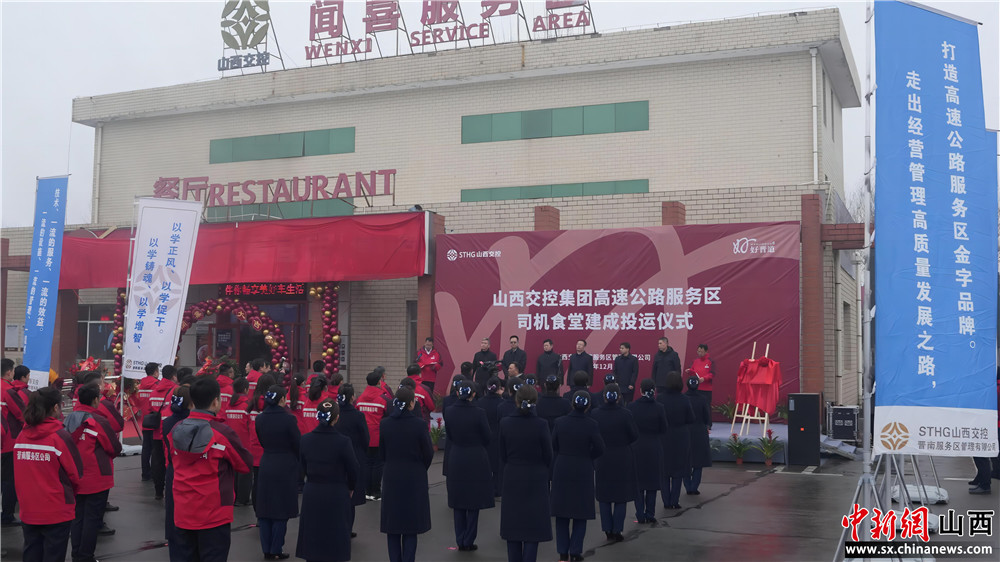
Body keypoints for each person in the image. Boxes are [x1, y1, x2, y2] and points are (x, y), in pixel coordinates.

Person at [168, 377, 252, 562]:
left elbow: (172, 462)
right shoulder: (222, 433)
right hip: (214, 514)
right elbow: (245, 465)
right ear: (216, 401)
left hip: (182, 510)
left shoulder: (175, 429)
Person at [13, 386, 83, 562]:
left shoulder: (22, 435)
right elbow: (76, 475)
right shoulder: (60, 437)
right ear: (55, 408)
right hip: (56, 509)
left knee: (31, 553)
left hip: (29, 508)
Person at [63, 383, 122, 562]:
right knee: (92, 519)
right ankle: (86, 556)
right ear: (95, 400)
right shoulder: (98, 421)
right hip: (96, 477)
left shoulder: (67, 420)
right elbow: (114, 447)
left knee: (78, 516)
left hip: (74, 475)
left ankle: (76, 554)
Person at [296, 399, 359, 562]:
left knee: (313, 534)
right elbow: (353, 469)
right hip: (336, 492)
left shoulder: (305, 440)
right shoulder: (343, 442)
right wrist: (351, 487)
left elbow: (302, 467)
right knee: (335, 536)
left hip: (313, 492)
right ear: (337, 418)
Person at [380, 386, 434, 562]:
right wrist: (419, 468)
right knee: (411, 525)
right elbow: (428, 452)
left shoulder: (385, 424)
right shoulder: (419, 425)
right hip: (414, 476)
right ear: (411, 403)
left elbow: (382, 452)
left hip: (391, 475)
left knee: (393, 524)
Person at [499, 384, 552, 562]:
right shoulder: (541, 424)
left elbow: (502, 453)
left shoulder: (505, 423)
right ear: (535, 402)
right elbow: (548, 454)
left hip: (512, 475)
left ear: (516, 400)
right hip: (536, 477)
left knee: (513, 525)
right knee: (532, 527)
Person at [551, 391, 605, 562]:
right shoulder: (592, 424)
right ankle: (575, 551)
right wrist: (588, 455)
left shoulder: (560, 422)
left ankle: (562, 551)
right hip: (583, 468)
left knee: (562, 512)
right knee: (580, 512)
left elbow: (554, 444)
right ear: (588, 405)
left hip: (562, 467)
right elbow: (600, 448)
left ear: (572, 404)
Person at [444, 380, 494, 551]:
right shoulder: (479, 413)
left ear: (457, 393)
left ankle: (460, 538)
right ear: (473, 394)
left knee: (458, 500)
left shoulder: (449, 411)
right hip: (476, 457)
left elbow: (449, 434)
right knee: (473, 501)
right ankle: (469, 539)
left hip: (456, 456)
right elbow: (487, 437)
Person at [255, 385, 301, 560]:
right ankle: (276, 548)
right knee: (281, 510)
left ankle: (266, 549)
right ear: (282, 399)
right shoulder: (289, 419)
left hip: (266, 462)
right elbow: (297, 444)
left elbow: (261, 439)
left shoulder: (260, 419)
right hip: (285, 465)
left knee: (265, 509)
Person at [590, 383, 639, 542]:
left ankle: (607, 529)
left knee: (604, 496)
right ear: (619, 397)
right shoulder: (626, 414)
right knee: (620, 496)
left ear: (604, 397)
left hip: (602, 458)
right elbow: (633, 436)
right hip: (622, 457)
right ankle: (617, 530)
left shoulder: (595, 414)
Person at [627, 379, 668, 522]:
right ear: (654, 390)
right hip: (654, 447)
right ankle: (650, 514)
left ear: (640, 390)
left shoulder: (632, 407)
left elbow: (629, 428)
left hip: (637, 448)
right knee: (652, 482)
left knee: (638, 482)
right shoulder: (659, 407)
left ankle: (640, 514)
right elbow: (664, 428)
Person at [334, 384, 369, 537]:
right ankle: (347, 529)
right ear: (352, 397)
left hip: (335, 459)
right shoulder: (358, 416)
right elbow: (365, 438)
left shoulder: (334, 414)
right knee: (351, 496)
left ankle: (337, 527)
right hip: (355, 456)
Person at [161, 386, 193, 554]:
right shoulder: (193, 424)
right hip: (190, 471)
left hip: (172, 470)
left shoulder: (167, 422)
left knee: (173, 514)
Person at [657, 371, 694, 509]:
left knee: (665, 470)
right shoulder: (684, 399)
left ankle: (666, 501)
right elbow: (691, 418)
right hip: (681, 436)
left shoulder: (660, 398)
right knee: (679, 470)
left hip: (664, 436)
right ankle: (674, 501)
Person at [246, 374, 277, 510]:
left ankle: (258, 511)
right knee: (270, 483)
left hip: (254, 449)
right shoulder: (272, 406)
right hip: (270, 450)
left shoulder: (252, 404)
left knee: (257, 482)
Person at [357, 371, 390, 500]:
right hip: (377, 436)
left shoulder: (360, 399)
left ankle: (366, 490)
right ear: (378, 382)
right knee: (377, 464)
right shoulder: (383, 400)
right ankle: (376, 492)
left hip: (364, 437)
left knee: (365, 463)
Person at [148, 365, 178, 500]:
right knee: (171, 461)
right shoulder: (175, 391)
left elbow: (150, 409)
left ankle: (158, 491)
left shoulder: (154, 391)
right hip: (169, 431)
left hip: (156, 432)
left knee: (157, 461)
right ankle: (170, 490)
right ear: (173, 376)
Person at [1, 358, 24, 527]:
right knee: (9, 480)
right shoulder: (9, 391)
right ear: (9, 372)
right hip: (7, 442)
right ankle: (7, 515)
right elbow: (23, 415)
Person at [224, 377, 253, 506]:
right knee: (245, 471)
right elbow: (250, 426)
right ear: (246, 389)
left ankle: (234, 496)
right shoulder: (247, 405)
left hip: (231, 442)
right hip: (245, 443)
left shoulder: (228, 404)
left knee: (233, 471)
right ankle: (243, 498)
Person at [684, 376, 713, 495]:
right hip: (700, 432)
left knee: (685, 460)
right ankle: (694, 487)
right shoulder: (703, 399)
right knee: (698, 461)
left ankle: (687, 485)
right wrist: (707, 425)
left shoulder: (683, 398)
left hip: (685, 432)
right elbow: (707, 417)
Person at [477, 377, 504, 497]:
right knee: (497, 464)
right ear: (499, 389)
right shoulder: (502, 403)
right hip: (498, 436)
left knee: (484, 463)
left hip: (483, 437)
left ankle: (484, 487)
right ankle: (497, 489)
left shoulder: (480, 402)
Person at [137, 362, 160, 483]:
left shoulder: (140, 385)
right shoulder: (157, 385)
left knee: (146, 449)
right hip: (155, 421)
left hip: (145, 421)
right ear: (156, 372)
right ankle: (155, 472)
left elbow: (137, 402)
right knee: (156, 450)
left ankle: (145, 473)